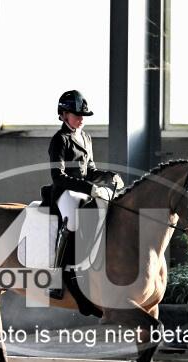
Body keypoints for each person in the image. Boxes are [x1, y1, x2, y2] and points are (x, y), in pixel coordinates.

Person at [47, 90, 115, 300]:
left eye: (83, 115)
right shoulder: (60, 140)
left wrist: (109, 176)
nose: (81, 118)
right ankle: (55, 277)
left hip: (84, 190)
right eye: (77, 114)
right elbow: (58, 176)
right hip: (65, 192)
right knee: (73, 221)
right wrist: (89, 188)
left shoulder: (85, 137)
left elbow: (90, 171)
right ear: (63, 115)